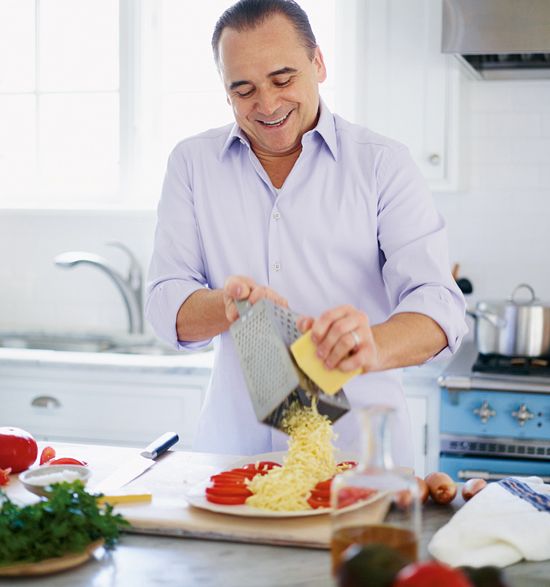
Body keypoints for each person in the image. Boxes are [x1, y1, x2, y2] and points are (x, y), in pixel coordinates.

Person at [145, 0, 467, 467]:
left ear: (318, 63)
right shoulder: (192, 164)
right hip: (236, 462)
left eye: (283, 79)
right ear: (225, 90)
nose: (268, 104)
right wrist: (227, 305)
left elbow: (439, 304)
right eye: (244, 89)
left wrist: (372, 344)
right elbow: (163, 304)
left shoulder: (381, 163)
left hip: (361, 460)